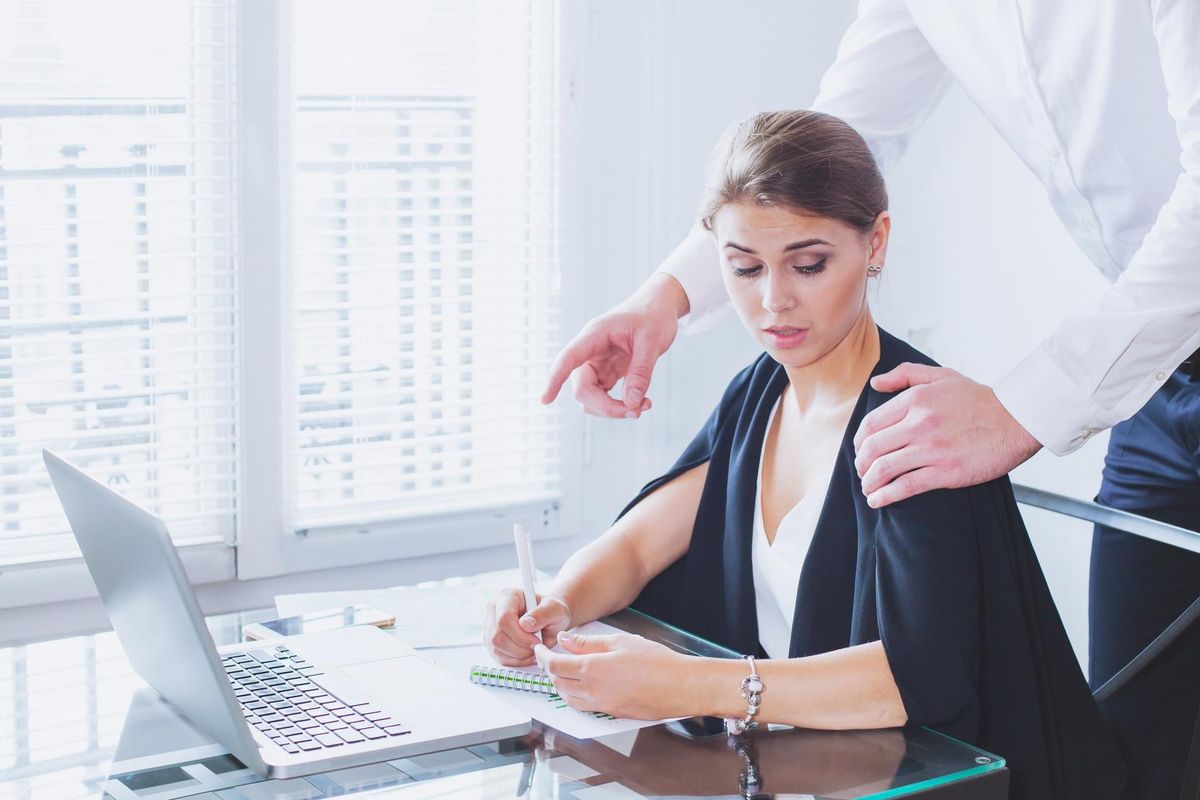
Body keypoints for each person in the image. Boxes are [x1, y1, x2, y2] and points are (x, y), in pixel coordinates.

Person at [540, 4, 1200, 797]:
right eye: (744, 268)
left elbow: (921, 676)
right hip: (1159, 366)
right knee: (1143, 743)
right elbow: (826, 149)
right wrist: (666, 297)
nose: (774, 301)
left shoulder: (908, 416)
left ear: (875, 245)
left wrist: (1023, 407)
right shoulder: (758, 397)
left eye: (807, 265)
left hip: (1135, 345)